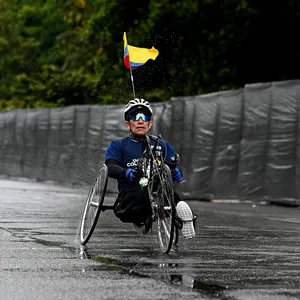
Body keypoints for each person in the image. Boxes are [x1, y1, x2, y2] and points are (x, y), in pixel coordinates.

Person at [104, 98, 196, 239]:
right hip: (131, 193)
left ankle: (182, 212)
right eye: (135, 117)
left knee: (166, 189)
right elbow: (110, 168)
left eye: (144, 117)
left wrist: (175, 171)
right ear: (128, 124)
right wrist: (126, 172)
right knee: (142, 193)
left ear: (149, 123)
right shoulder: (118, 145)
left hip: (159, 190)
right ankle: (174, 209)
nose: (140, 121)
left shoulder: (163, 145)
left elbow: (173, 168)